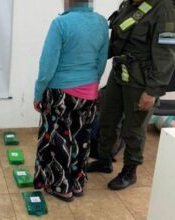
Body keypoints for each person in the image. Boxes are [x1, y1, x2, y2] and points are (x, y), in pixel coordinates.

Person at [88, 0, 175, 190]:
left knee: (134, 127)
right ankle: (104, 160)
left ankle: (130, 171)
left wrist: (152, 91)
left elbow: (166, 55)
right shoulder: (128, 5)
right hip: (119, 73)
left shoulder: (164, 8)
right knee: (108, 119)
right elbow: (118, 39)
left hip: (141, 81)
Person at [33, 0, 108, 202]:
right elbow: (101, 61)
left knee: (57, 140)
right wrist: (93, 83)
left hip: (61, 92)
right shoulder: (101, 22)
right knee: (81, 139)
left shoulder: (60, 23)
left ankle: (61, 186)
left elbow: (47, 64)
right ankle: (76, 184)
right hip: (89, 91)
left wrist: (38, 93)